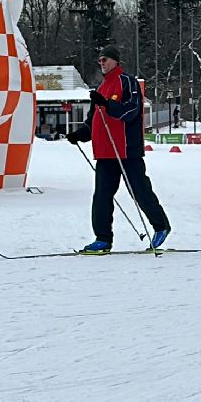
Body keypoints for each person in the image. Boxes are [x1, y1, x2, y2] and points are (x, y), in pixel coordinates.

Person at [67, 43, 171, 252]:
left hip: (126, 149)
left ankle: (161, 226)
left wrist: (107, 105)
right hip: (105, 152)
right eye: (100, 60)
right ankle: (103, 239)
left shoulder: (127, 82)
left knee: (139, 191)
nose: (102, 63)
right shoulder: (101, 88)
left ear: (115, 60)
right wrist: (80, 134)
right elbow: (93, 119)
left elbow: (131, 111)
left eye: (105, 59)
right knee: (102, 195)